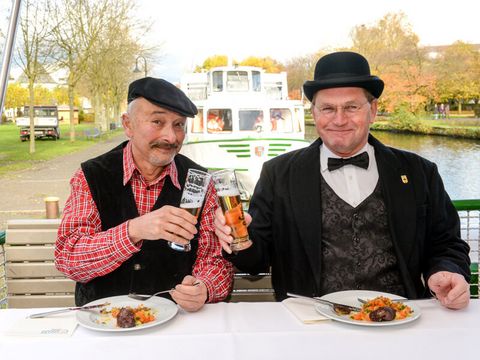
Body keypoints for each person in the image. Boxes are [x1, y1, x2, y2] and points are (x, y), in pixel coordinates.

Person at [214, 51, 471, 310]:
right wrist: (241, 241)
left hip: (400, 320)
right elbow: (256, 262)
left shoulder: (419, 172)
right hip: (311, 323)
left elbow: (446, 243)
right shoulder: (277, 174)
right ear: (314, 113)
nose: (339, 119)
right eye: (328, 108)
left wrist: (444, 271)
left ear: (373, 111)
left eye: (351, 107)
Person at [55, 77, 233, 311]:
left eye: (179, 125)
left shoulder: (199, 180)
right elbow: (69, 258)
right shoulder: (91, 175)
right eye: (158, 122)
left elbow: (216, 262)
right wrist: (133, 230)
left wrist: (204, 288)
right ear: (128, 124)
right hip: (103, 323)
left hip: (175, 323)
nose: (171, 137)